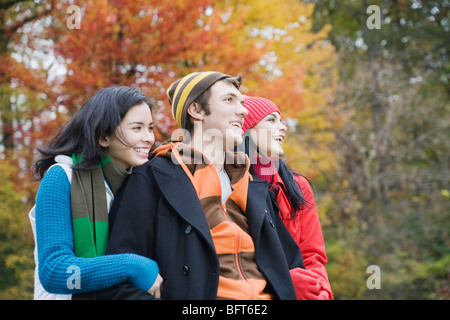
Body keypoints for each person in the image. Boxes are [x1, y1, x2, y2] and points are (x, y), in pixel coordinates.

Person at [99, 71, 304, 300]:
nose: (244, 111)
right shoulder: (152, 179)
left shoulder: (252, 184)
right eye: (229, 100)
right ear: (196, 110)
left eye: (243, 103)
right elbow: (120, 284)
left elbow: (292, 265)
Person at [30, 86, 163, 299]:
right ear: (103, 137)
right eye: (137, 128)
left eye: (150, 128)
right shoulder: (61, 177)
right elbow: (54, 271)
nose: (149, 138)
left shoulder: (138, 181)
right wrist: (132, 266)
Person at [241, 95, 333, 300]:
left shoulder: (298, 186)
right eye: (271, 120)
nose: (282, 128)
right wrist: (281, 280)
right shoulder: (231, 184)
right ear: (246, 129)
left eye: (281, 121)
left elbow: (313, 255)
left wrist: (322, 291)